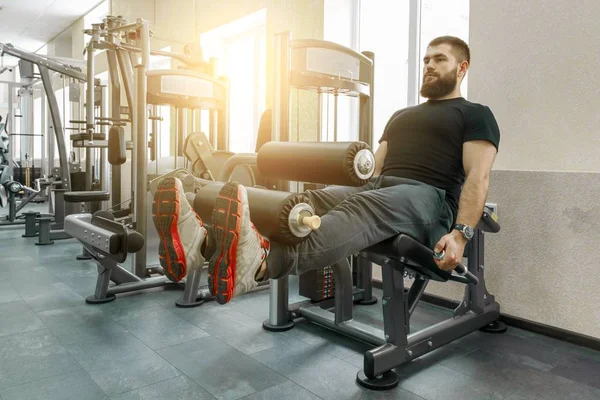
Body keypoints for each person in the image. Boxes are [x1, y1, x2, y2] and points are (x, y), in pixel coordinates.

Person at [152, 36, 500, 305]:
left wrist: (460, 234)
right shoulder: (402, 115)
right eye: (426, 59)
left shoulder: (474, 113)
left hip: (429, 200)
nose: (429, 65)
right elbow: (373, 171)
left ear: (462, 68)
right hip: (382, 186)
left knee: (360, 208)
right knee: (309, 202)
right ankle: (204, 245)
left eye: (440, 59)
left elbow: (478, 177)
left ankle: (261, 264)